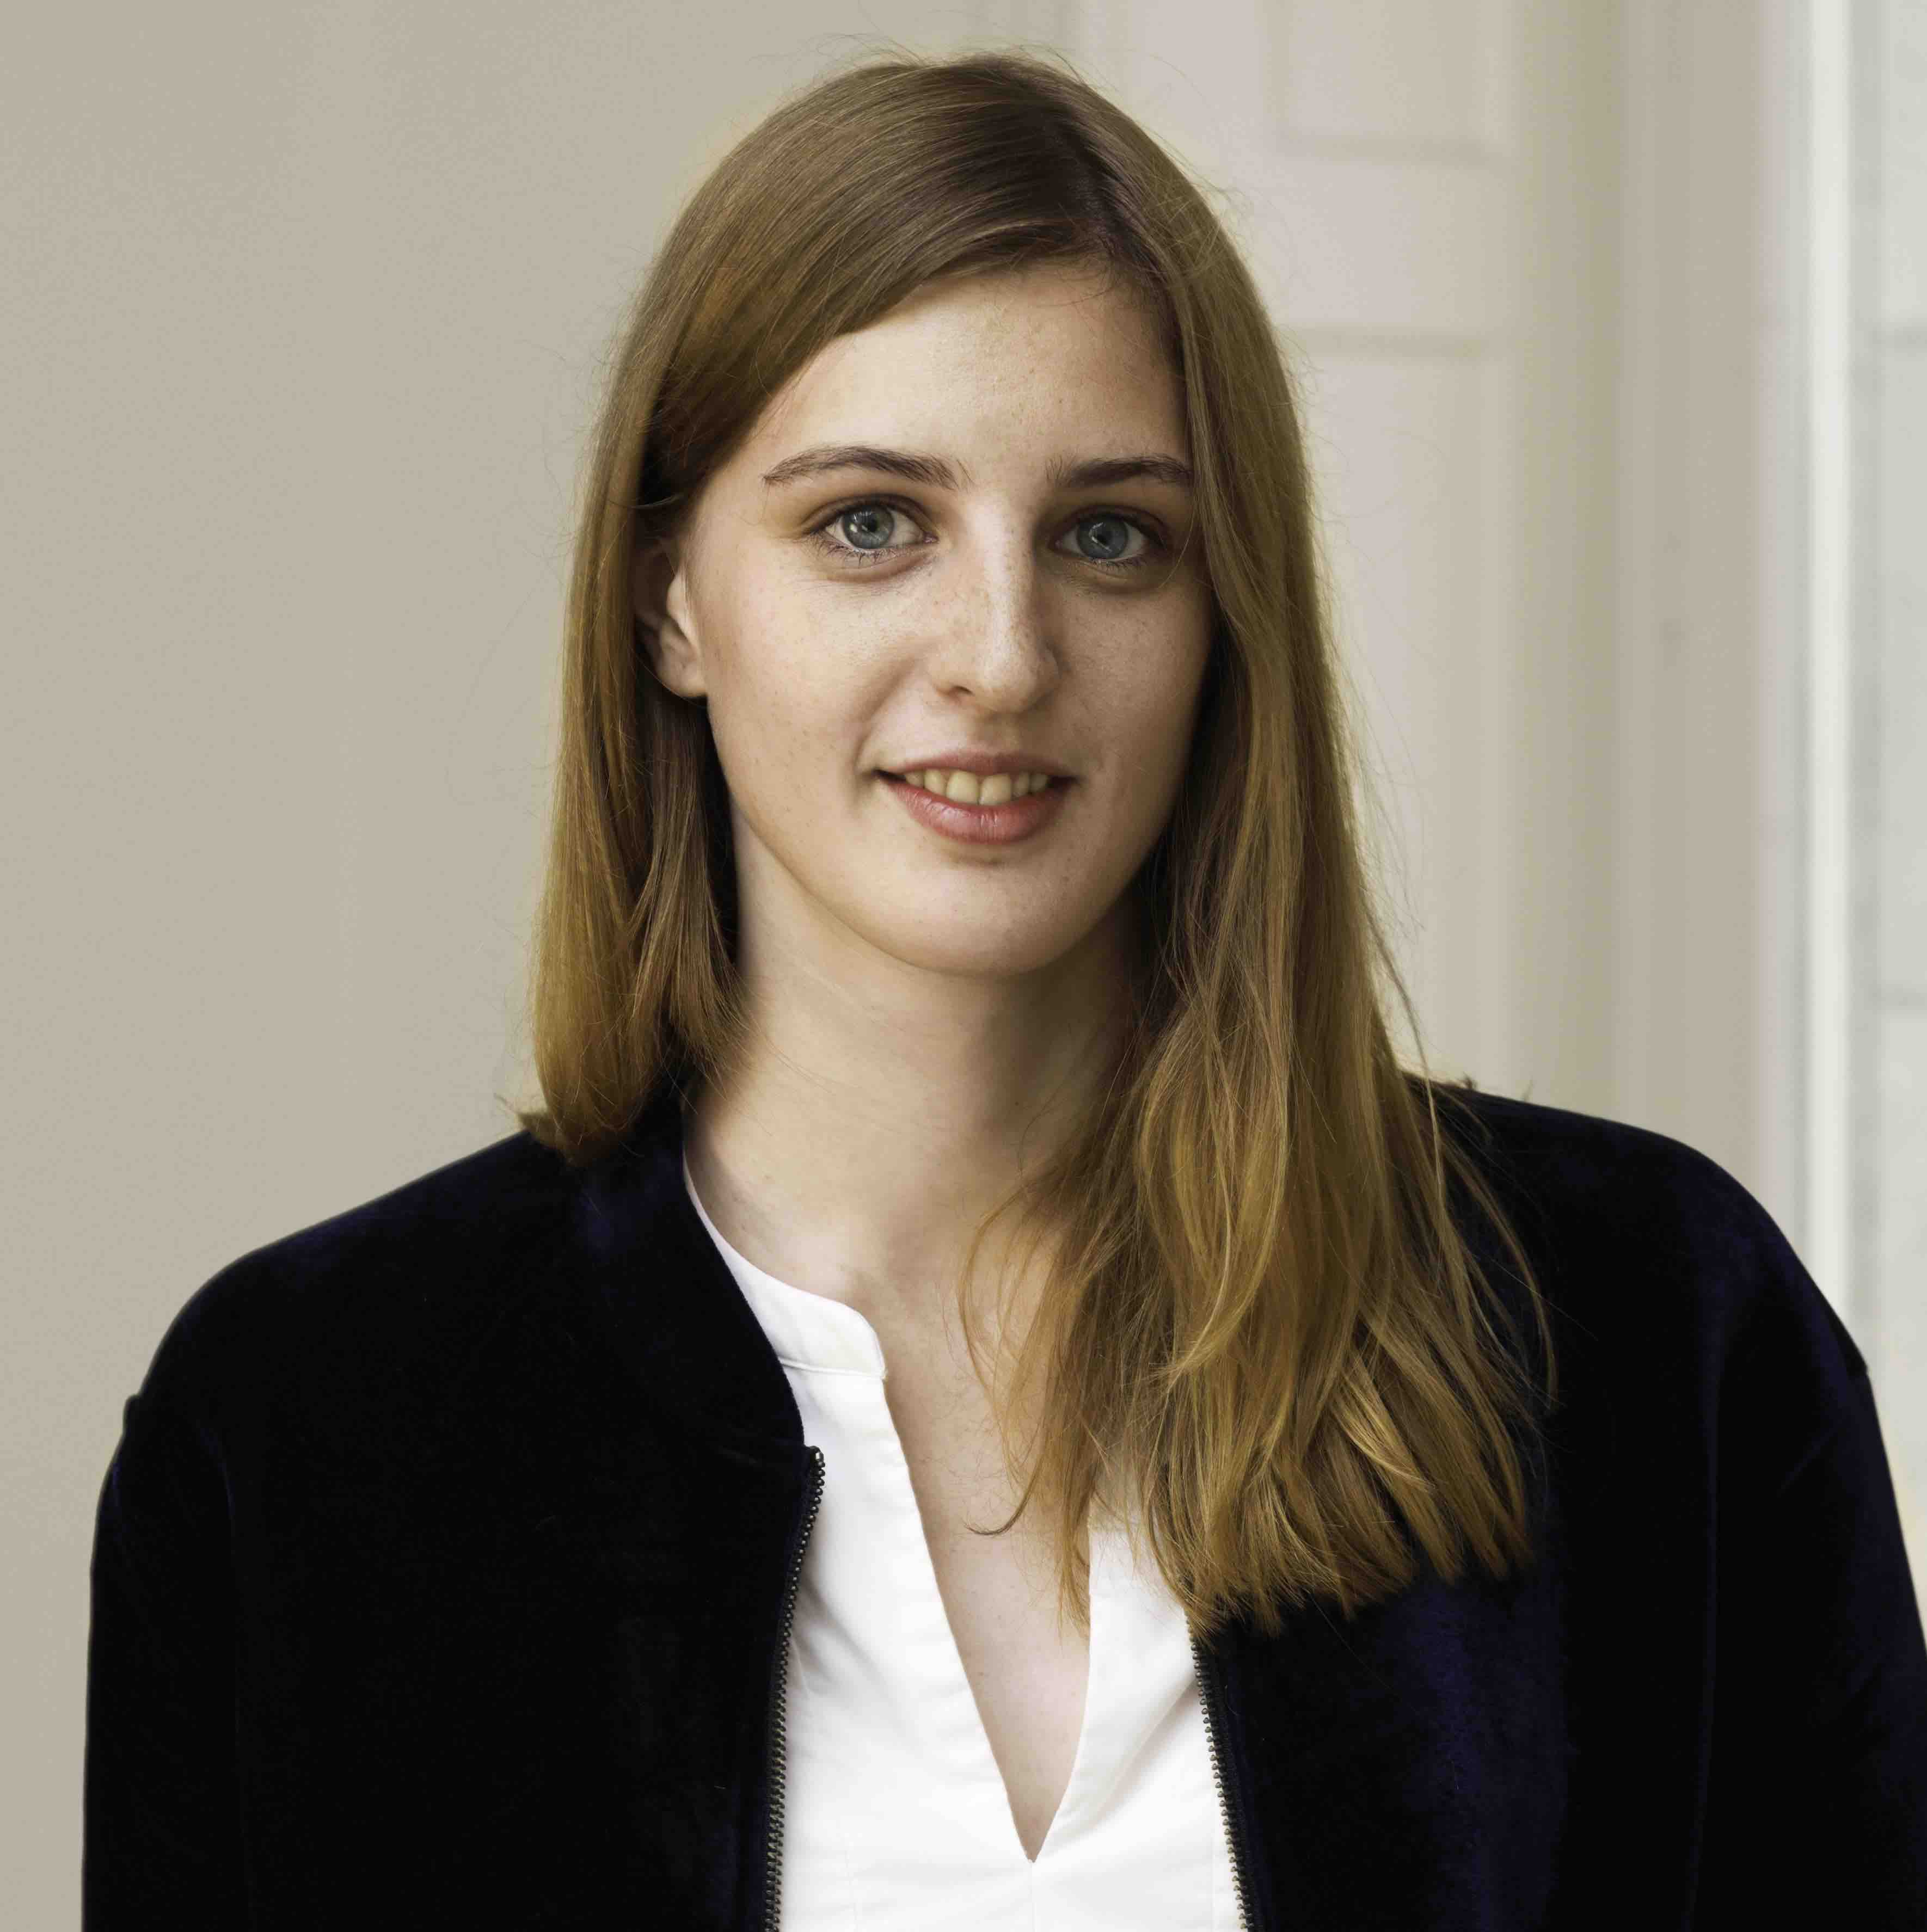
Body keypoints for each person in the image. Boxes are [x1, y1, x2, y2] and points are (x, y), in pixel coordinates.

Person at [83, 44, 1927, 1931]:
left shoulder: (1651, 1332)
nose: (1000, 655)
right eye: (870, 522)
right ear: (671, 601)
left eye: (1109, 536)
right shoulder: (308, 1422)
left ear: (1223, 618)